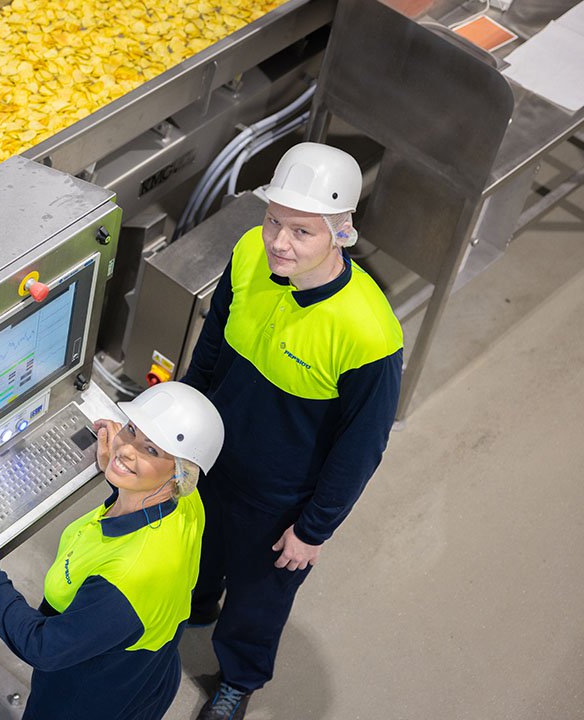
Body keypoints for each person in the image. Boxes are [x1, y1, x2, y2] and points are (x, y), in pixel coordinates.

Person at [181, 142, 403, 719]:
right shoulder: (250, 256)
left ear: (341, 233)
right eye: (273, 220)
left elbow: (361, 448)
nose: (279, 242)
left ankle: (238, 681)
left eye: (302, 232)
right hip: (212, 457)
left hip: (279, 496)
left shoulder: (367, 332)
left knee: (258, 601)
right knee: (198, 552)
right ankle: (198, 607)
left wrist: (313, 529)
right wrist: (180, 419)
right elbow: (212, 345)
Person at [0, 382, 224, 720]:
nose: (126, 448)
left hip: (88, 697)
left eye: (152, 450)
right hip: (147, 671)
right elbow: (149, 498)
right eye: (132, 430)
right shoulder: (186, 503)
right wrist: (120, 472)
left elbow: (43, 646)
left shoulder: (127, 580)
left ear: (180, 474)